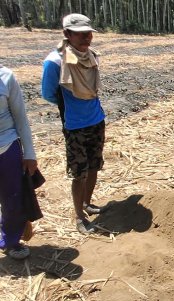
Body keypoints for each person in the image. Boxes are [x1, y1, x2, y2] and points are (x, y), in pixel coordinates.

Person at [42, 13, 106, 234]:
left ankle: (87, 204)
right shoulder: (55, 62)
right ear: (67, 34)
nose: (86, 38)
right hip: (74, 125)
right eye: (80, 34)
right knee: (79, 173)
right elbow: (48, 94)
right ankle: (79, 216)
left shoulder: (92, 56)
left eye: (88, 33)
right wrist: (71, 102)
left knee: (95, 165)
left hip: (97, 119)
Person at [0, 65, 37, 259]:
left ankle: (11, 241)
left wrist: (29, 153)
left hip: (7, 146)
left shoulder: (6, 77)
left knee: (12, 197)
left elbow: (21, 117)